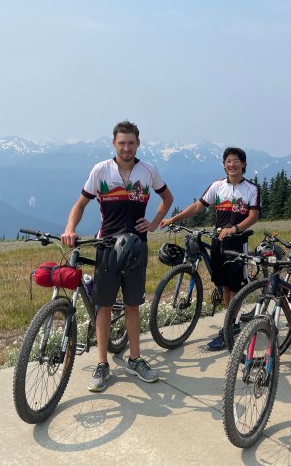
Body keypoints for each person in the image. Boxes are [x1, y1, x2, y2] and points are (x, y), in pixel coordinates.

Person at [62, 120, 173, 393]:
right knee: (104, 305)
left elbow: (167, 199)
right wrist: (70, 228)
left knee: (133, 305)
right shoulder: (101, 170)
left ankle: (135, 359)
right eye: (122, 143)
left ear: (138, 144)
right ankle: (102, 364)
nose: (126, 148)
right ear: (114, 144)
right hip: (108, 246)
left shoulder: (148, 171)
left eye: (131, 143)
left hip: (136, 246)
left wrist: (154, 223)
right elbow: (80, 203)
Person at [159, 147, 260, 350]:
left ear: (243, 164)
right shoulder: (217, 186)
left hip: (237, 242)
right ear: (224, 165)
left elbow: (253, 216)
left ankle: (229, 328)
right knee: (223, 285)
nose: (232, 165)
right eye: (228, 161)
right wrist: (173, 219)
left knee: (235, 287)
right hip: (218, 241)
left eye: (236, 161)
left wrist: (235, 228)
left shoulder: (251, 188)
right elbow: (198, 206)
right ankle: (231, 322)